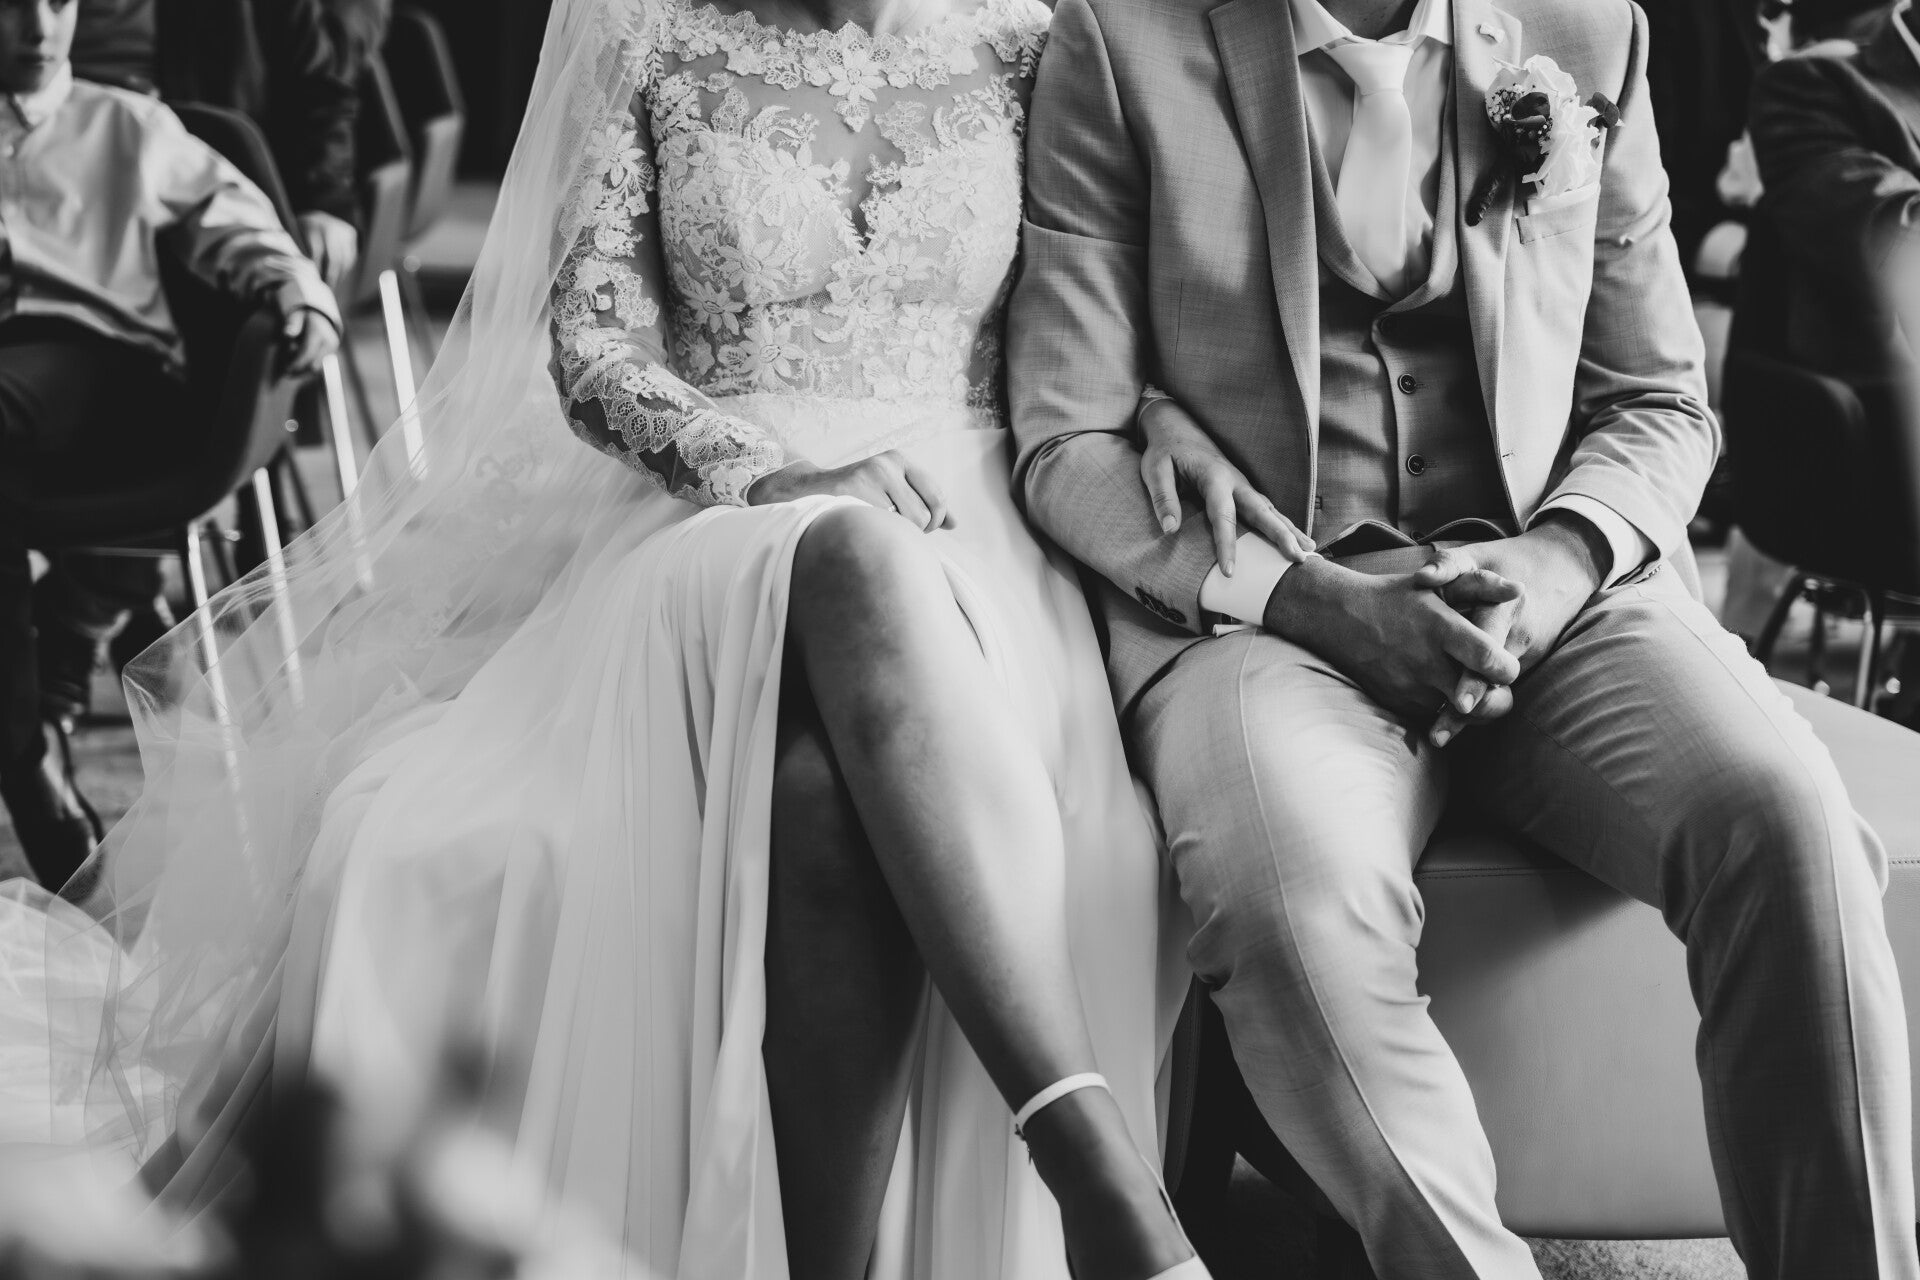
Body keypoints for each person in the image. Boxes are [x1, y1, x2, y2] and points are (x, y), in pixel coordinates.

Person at [0, 0, 1234, 1277]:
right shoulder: (649, 38)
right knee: (852, 552)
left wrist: (1160, 409)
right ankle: (1096, 1169)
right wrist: (767, 473)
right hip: (719, 520)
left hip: (981, 532)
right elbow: (593, 349)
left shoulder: (1033, 45)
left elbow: (1108, 300)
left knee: (815, 797)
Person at [1008, 0, 1919, 1276]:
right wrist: (1313, 596)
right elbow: (1067, 434)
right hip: (1268, 615)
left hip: (1547, 589)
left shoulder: (1587, 31)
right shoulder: (1122, 44)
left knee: (1790, 822)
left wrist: (1558, 561)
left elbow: (1659, 397)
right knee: (1296, 908)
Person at [0, 0, 339, 889]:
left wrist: (298, 295)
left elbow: (238, 220)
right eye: (12, 6)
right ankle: (32, 728)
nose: (37, 25)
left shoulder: (125, 124)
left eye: (56, 2)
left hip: (104, 369)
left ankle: (25, 749)